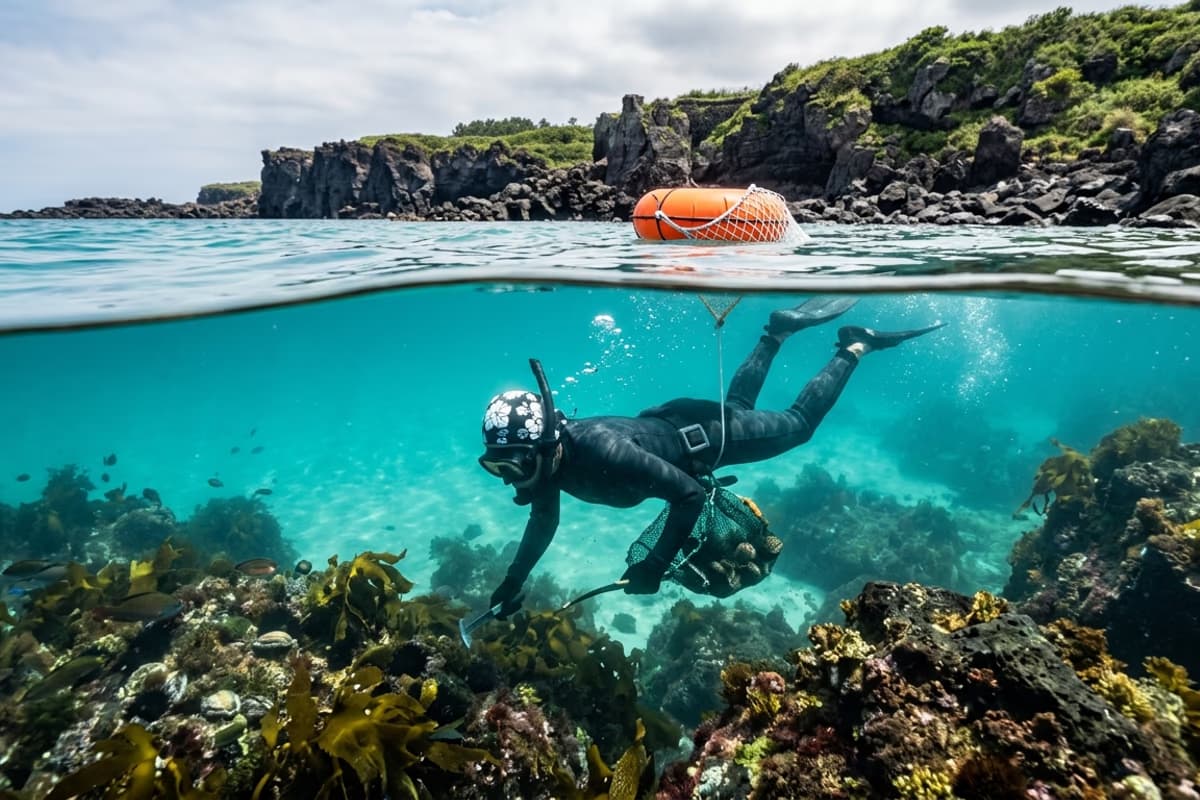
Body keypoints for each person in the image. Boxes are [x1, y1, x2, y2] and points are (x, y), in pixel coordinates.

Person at [478, 298, 944, 618]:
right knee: (738, 407)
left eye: (512, 466)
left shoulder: (601, 451)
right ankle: (778, 332)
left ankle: (855, 345)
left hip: (708, 439)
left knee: (798, 424)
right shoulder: (549, 463)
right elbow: (544, 521)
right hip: (675, 421)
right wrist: (513, 580)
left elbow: (689, 496)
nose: (507, 479)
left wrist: (655, 564)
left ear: (544, 445)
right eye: (496, 465)